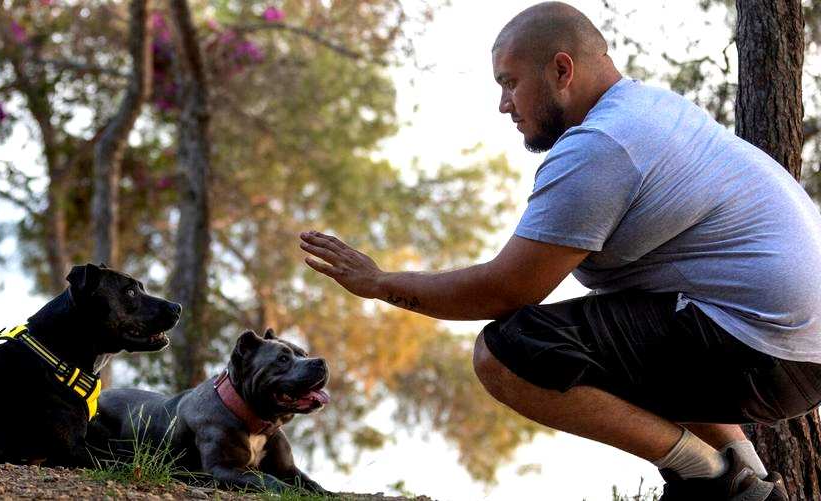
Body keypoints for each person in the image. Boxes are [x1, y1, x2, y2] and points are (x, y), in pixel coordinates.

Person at [298, 2, 821, 500]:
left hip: (762, 347)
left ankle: (706, 478)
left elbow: (502, 291)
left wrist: (379, 283)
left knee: (509, 353)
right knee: (626, 328)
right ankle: (747, 477)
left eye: (509, 82)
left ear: (561, 70)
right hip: (794, 349)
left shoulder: (604, 145)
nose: (505, 104)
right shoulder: (651, 110)